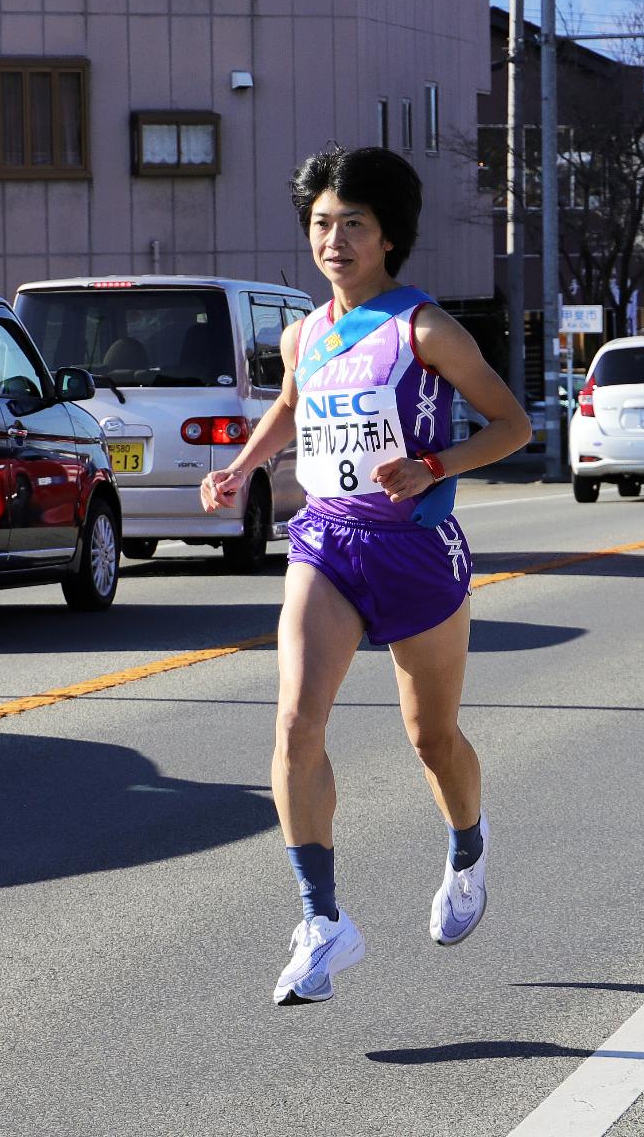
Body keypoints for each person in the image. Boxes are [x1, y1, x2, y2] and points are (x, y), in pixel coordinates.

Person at [200, 146, 531, 1007]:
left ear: (388, 237)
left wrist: (437, 463)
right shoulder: (303, 334)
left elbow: (513, 424)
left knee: (431, 738)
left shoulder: (425, 328)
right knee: (295, 722)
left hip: (416, 547)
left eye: (353, 224)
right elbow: (289, 405)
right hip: (327, 541)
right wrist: (239, 471)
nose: (334, 240)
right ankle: (323, 922)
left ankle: (468, 846)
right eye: (321, 224)